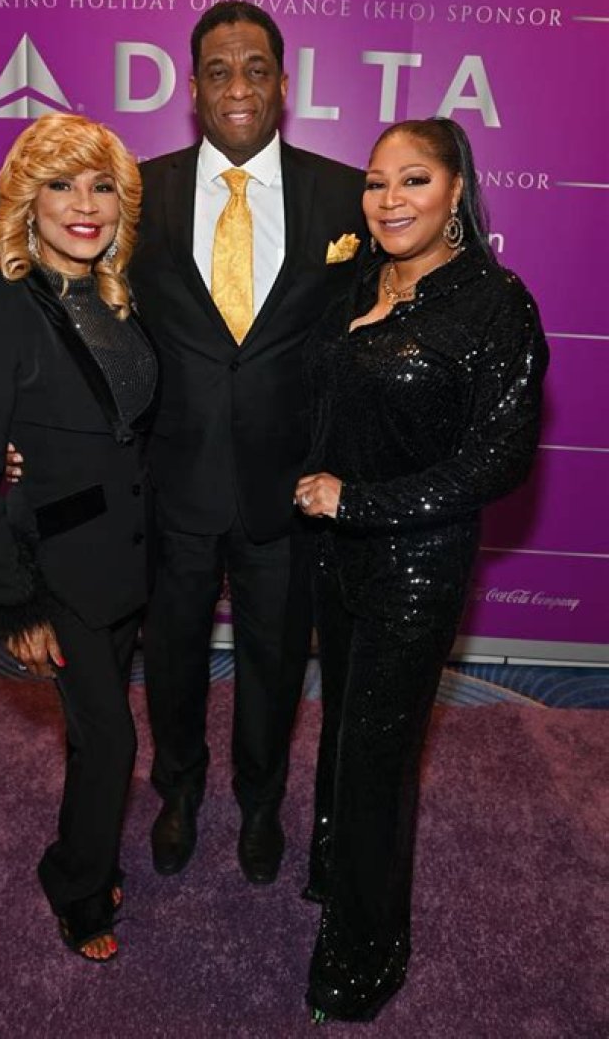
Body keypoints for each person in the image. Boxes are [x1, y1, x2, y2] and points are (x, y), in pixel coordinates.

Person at [294, 118, 548, 1022]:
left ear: (456, 191)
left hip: (415, 567)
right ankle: (334, 870)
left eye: (413, 180)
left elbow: (499, 462)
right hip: (336, 558)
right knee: (341, 729)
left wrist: (358, 502)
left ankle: (366, 956)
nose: (390, 199)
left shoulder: (494, 302)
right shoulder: (361, 280)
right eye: (376, 182)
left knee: (377, 755)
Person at [129, 0, 368, 884]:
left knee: (275, 660)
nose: (239, 86)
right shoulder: (136, 191)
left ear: (283, 84)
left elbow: (377, 334)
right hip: (174, 479)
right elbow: (97, 326)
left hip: (290, 486)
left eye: (256, 68)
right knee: (173, 656)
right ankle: (180, 790)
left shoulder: (346, 194)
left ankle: (262, 802)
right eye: (220, 71)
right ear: (193, 89)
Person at [0, 113, 157, 963]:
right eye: (62, 185)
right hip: (56, 569)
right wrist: (14, 602)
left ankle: (81, 847)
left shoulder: (119, 301)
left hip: (125, 563)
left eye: (101, 187)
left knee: (89, 731)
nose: (85, 205)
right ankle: (77, 887)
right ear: (26, 202)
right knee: (114, 739)